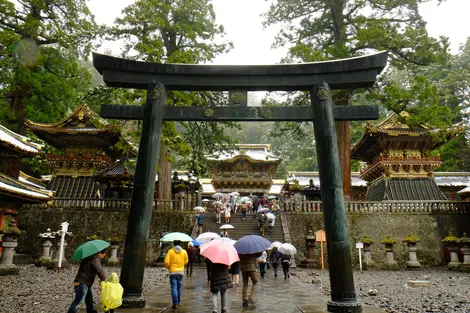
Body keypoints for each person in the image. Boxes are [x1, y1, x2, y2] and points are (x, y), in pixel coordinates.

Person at [67, 249, 107, 313]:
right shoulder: (95, 260)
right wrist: (103, 279)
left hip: (83, 282)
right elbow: (100, 272)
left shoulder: (89, 257)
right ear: (99, 253)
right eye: (103, 255)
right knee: (78, 303)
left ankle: (91, 311)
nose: (103, 257)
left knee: (89, 300)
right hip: (82, 283)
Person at [164, 240, 189, 310]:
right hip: (180, 271)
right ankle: (178, 302)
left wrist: (169, 267)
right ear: (180, 244)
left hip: (172, 271)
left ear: (173, 244)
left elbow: (166, 262)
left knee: (174, 287)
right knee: (179, 287)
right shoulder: (184, 251)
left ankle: (175, 303)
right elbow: (186, 261)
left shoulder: (170, 251)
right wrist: (181, 264)